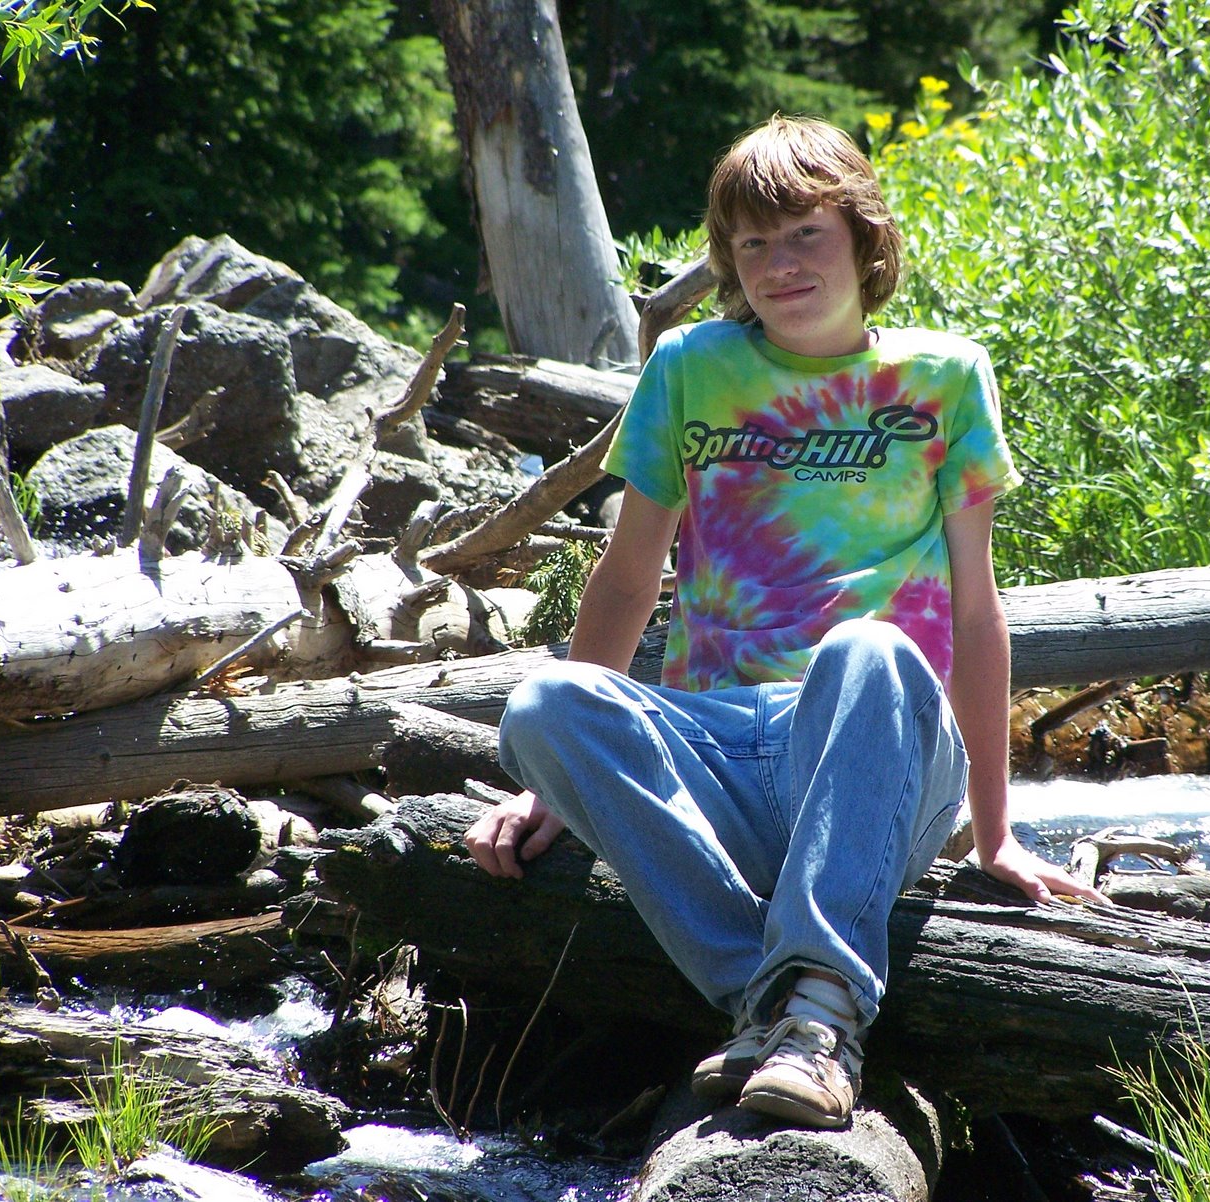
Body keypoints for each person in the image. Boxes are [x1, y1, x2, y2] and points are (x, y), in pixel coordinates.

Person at [464, 113, 1107, 1130]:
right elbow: (627, 579)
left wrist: (994, 832)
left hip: (879, 757)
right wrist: (553, 787)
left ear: (865, 240)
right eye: (753, 242)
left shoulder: (944, 377)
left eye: (805, 233)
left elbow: (978, 614)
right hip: (721, 759)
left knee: (868, 648)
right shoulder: (689, 365)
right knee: (545, 702)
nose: (779, 264)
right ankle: (770, 999)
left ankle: (823, 1017)